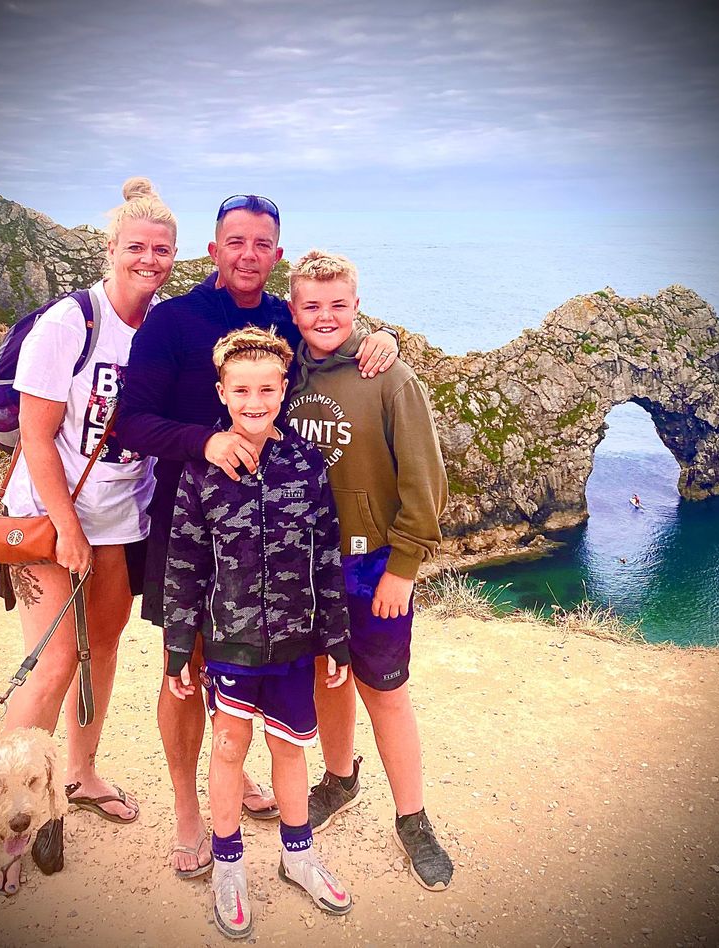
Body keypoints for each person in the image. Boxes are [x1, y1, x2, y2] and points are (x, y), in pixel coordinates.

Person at [117, 194, 400, 876]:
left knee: (246, 664)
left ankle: (240, 777)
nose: (248, 254)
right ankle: (189, 810)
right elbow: (130, 422)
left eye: (262, 243)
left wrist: (384, 341)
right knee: (184, 664)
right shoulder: (171, 321)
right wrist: (206, 442)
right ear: (213, 250)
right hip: (186, 520)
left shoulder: (281, 318)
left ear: (277, 254)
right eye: (235, 241)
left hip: (276, 532)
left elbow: (332, 335)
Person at [0, 177, 177, 896]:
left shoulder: (160, 329)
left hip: (120, 523)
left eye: (161, 250)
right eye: (137, 247)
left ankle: (79, 775)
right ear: (112, 249)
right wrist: (69, 530)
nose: (149, 260)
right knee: (54, 664)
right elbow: (35, 437)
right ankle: (15, 821)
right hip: (49, 520)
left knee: (101, 652)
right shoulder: (71, 322)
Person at [165, 327, 353, 938]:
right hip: (230, 643)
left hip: (297, 642)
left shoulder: (307, 463)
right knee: (227, 746)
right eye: (241, 391)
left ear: (283, 391)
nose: (253, 402)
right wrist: (178, 647)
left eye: (266, 390)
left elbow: (327, 554)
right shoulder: (201, 470)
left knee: (290, 749)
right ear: (222, 393)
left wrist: (336, 637)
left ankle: (298, 856)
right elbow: (185, 563)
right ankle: (227, 866)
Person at [285, 249, 455, 891]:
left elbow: (425, 480)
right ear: (293, 309)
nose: (325, 316)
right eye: (312, 305)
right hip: (305, 561)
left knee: (385, 692)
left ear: (357, 305)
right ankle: (340, 778)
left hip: (372, 564)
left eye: (338, 304)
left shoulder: (390, 378)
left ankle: (413, 819)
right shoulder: (284, 371)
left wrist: (403, 567)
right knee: (328, 677)